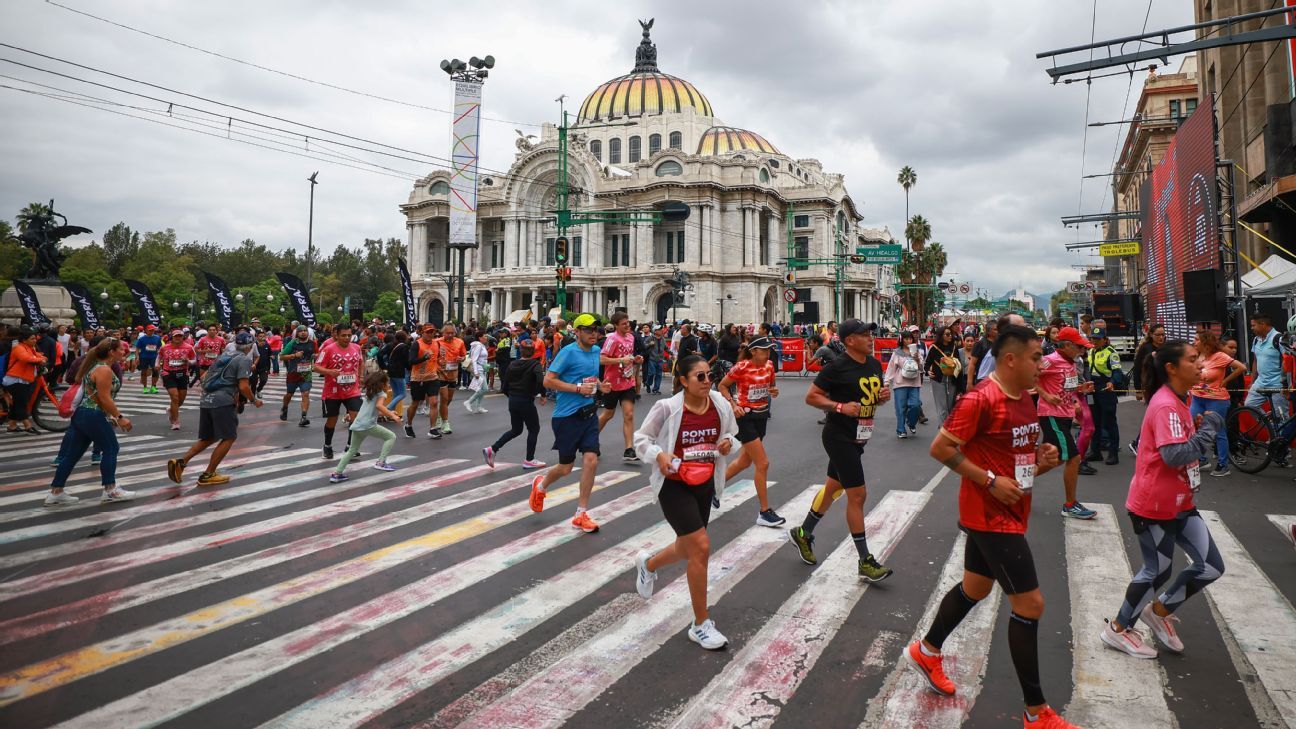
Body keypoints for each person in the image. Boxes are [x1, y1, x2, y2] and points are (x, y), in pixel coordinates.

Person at [904, 324, 1072, 729]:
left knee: (975, 588)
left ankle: (927, 651)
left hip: (1010, 511)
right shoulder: (981, 398)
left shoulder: (1026, 398)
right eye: (1036, 358)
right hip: (990, 517)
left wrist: (1042, 460)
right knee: (1030, 605)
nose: (1042, 365)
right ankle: (1036, 712)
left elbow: (1017, 457)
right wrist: (990, 481)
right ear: (1011, 359)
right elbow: (940, 448)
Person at [1100, 339, 1226, 660]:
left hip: (1182, 502)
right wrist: (1208, 429)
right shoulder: (1168, 404)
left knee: (1211, 566)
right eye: (1193, 359)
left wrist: (1197, 429)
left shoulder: (1180, 399)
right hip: (1154, 506)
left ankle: (1158, 611)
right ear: (1171, 368)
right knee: (1156, 572)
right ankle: (1117, 629)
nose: (1200, 365)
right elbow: (1174, 455)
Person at [633, 354, 740, 650]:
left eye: (710, 376)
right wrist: (660, 455)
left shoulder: (719, 403)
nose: (708, 382)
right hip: (674, 485)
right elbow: (640, 439)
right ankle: (700, 624)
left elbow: (732, 434)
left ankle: (649, 564)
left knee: (688, 545)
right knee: (701, 547)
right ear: (682, 381)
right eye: (700, 377)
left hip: (704, 482)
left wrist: (728, 444)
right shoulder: (666, 408)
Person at [788, 319, 895, 582]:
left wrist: (881, 397)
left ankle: (803, 533)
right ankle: (865, 561)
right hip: (839, 436)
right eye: (864, 335)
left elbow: (870, 397)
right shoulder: (837, 366)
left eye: (871, 334)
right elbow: (811, 396)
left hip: (860, 436)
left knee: (833, 488)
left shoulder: (872, 364)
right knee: (857, 494)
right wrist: (839, 407)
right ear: (850, 340)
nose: (871, 338)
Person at [527, 313, 616, 534]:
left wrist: (599, 385)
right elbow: (548, 380)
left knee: (591, 460)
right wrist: (577, 389)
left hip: (589, 415)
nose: (593, 334)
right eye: (588, 330)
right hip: (566, 417)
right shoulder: (568, 353)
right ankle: (541, 485)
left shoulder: (596, 352)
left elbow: (589, 376)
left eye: (596, 330)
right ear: (577, 332)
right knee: (565, 468)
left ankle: (581, 513)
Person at [44, 338, 135, 506]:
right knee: (111, 448)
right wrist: (119, 417)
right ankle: (110, 489)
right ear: (111, 352)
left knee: (73, 454)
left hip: (83, 414)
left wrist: (110, 416)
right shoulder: (103, 370)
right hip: (93, 414)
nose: (124, 352)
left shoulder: (95, 366)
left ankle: (56, 492)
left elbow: (97, 397)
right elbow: (104, 398)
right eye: (121, 349)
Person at [166, 332, 262, 487]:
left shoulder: (223, 356)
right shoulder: (244, 359)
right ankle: (208, 474)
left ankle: (181, 462)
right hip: (222, 401)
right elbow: (244, 385)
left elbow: (205, 377)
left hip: (206, 399)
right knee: (229, 437)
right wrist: (253, 400)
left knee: (208, 437)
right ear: (251, 346)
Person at [719, 336, 784, 527]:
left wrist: (773, 391)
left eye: (769, 349)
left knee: (744, 462)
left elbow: (771, 386)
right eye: (764, 350)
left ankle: (712, 489)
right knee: (762, 463)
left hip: (762, 416)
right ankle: (764, 512)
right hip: (745, 417)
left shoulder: (770, 365)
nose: (767, 352)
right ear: (753, 351)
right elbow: (723, 385)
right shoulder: (741, 367)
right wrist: (733, 404)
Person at [1036, 326, 1097, 519]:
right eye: (1080, 347)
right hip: (1051, 415)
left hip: (1063, 414)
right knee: (1074, 457)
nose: (1083, 351)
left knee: (1056, 458)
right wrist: (1045, 395)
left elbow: (1065, 388)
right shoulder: (1050, 360)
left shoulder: (1071, 362)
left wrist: (1080, 389)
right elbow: (1029, 375)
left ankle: (1018, 479)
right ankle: (1070, 504)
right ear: (1067, 345)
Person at [1189, 330, 1246, 477]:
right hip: (1197, 398)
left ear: (1205, 342)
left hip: (1217, 400)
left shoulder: (1220, 356)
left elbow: (1242, 368)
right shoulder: (1196, 356)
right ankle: (1202, 460)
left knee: (1218, 432)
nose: (1194, 342)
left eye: (1197, 340)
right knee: (1193, 428)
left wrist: (1225, 381)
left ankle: (1223, 465)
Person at [484, 339, 547, 470]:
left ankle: (493, 448)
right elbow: (541, 381)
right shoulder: (535, 365)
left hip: (513, 400)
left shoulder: (512, 364)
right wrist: (542, 395)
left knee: (516, 429)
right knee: (534, 429)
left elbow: (504, 386)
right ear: (534, 352)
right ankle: (529, 459)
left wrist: (512, 396)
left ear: (520, 350)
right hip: (526, 400)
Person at [329, 370, 399, 483]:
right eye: (387, 383)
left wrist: (390, 412)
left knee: (351, 450)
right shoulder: (381, 394)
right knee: (391, 437)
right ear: (382, 384)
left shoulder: (370, 393)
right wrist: (391, 415)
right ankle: (381, 462)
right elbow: (379, 406)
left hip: (357, 425)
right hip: (368, 425)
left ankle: (337, 473)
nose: (389, 385)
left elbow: (374, 410)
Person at [314, 323, 365, 459]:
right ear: (336, 335)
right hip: (333, 391)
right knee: (332, 420)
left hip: (352, 390)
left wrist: (360, 377)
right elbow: (316, 367)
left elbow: (361, 362)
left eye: (349, 335)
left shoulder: (357, 347)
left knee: (356, 418)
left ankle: (350, 446)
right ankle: (327, 445)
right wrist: (330, 371)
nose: (347, 338)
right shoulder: (328, 349)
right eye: (343, 335)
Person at [597, 312, 643, 462]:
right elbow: (602, 359)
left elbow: (628, 357)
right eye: (624, 324)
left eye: (628, 322)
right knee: (608, 414)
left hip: (627, 381)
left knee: (629, 415)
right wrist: (620, 360)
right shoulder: (611, 339)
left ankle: (629, 449)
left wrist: (635, 359)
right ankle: (590, 439)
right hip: (612, 382)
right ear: (616, 325)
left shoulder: (631, 337)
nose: (627, 325)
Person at [1085, 326, 1125, 466]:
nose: (1094, 341)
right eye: (1093, 339)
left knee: (1109, 423)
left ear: (1104, 339)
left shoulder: (1111, 352)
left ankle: (1113, 453)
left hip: (1106, 389)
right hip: (1093, 389)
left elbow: (1117, 371)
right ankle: (1095, 451)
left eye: (1098, 339)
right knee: (1094, 422)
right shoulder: (1090, 351)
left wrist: (1112, 382)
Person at [4, 327, 48, 433]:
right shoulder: (18, 348)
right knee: (22, 403)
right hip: (15, 380)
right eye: (32, 338)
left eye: (35, 338)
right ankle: (27, 425)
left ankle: (12, 425)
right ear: (24, 340)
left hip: (23, 379)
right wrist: (40, 360)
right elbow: (25, 358)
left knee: (18, 402)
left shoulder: (29, 348)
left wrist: (42, 358)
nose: (35, 340)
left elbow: (37, 355)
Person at [404, 325, 443, 439]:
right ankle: (408, 425)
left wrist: (441, 362)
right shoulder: (417, 344)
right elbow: (411, 361)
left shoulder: (437, 343)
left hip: (432, 377)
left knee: (434, 402)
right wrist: (424, 358)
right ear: (422, 333)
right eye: (427, 332)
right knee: (415, 404)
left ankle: (432, 429)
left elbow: (438, 357)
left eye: (432, 332)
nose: (430, 334)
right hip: (418, 379)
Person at [1245, 313, 1286, 420]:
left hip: (1278, 384)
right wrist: (1252, 382)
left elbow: (1288, 361)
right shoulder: (1256, 340)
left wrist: (1286, 384)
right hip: (1260, 382)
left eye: (1253, 325)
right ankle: (1272, 428)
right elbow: (1255, 361)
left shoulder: (1279, 339)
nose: (1251, 328)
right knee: (1250, 405)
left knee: (1281, 417)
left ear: (1262, 324)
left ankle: (1280, 434)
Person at [886, 330, 924, 439]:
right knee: (900, 407)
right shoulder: (897, 352)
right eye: (906, 339)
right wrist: (887, 381)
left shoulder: (917, 352)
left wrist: (917, 359)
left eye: (910, 338)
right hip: (900, 383)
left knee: (916, 405)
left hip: (914, 383)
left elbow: (921, 369)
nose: (908, 341)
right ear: (902, 340)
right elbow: (891, 367)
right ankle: (901, 429)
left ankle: (911, 422)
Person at [158, 329, 197, 430]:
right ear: (172, 337)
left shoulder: (189, 347)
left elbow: (194, 360)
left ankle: (171, 410)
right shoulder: (165, 347)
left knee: (181, 400)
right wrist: (157, 365)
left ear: (183, 337)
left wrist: (188, 361)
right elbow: (159, 356)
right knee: (174, 397)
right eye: (176, 336)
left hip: (183, 374)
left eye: (180, 336)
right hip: (168, 374)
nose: (178, 338)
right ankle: (175, 421)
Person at [279, 325, 315, 427]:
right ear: (297, 333)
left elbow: (317, 353)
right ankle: (285, 407)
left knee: (306, 394)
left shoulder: (312, 343)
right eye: (301, 331)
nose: (303, 332)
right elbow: (281, 357)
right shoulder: (293, 343)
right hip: (293, 373)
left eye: (305, 331)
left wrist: (315, 356)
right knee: (289, 394)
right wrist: (294, 355)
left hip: (306, 374)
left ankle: (303, 417)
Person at [436, 324, 468, 434]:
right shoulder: (437, 342)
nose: (450, 335)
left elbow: (464, 356)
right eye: (447, 333)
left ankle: (440, 416)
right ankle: (445, 423)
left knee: (449, 399)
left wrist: (461, 358)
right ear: (442, 333)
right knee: (444, 398)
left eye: (452, 333)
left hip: (453, 373)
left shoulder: (460, 342)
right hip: (441, 373)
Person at [926, 325, 959, 424]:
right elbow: (927, 363)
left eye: (951, 334)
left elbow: (959, 363)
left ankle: (947, 429)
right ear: (941, 336)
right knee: (942, 408)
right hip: (938, 380)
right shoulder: (934, 348)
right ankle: (943, 430)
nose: (950, 336)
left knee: (950, 406)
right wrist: (928, 371)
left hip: (952, 380)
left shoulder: (954, 347)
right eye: (947, 334)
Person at [383, 330, 411, 419]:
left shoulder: (394, 345)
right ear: (404, 337)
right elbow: (406, 361)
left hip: (391, 371)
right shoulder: (404, 347)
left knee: (396, 393)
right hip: (399, 372)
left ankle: (392, 414)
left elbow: (380, 354)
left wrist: (383, 366)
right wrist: (410, 368)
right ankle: (388, 409)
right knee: (403, 394)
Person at [463, 330, 491, 414]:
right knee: (485, 388)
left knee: (481, 388)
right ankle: (469, 402)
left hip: (482, 368)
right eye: (484, 336)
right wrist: (476, 372)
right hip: (478, 369)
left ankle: (479, 407)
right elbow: (474, 360)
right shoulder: (478, 346)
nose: (486, 337)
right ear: (480, 338)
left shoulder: (481, 345)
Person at [135, 324, 162, 394]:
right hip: (144, 357)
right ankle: (145, 387)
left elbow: (160, 348)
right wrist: (137, 357)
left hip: (154, 357)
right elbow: (137, 349)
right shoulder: (142, 339)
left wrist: (160, 357)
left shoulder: (157, 338)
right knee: (144, 372)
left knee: (155, 371)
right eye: (150, 330)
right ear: (146, 330)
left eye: (153, 330)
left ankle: (153, 386)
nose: (152, 331)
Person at [644, 325, 665, 395]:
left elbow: (666, 347)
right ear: (655, 331)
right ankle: (648, 383)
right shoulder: (650, 338)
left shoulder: (663, 338)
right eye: (659, 330)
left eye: (661, 329)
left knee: (659, 375)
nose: (661, 331)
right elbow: (644, 345)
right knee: (652, 373)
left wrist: (671, 353)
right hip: (652, 359)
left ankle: (656, 389)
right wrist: (649, 344)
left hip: (660, 359)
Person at [251, 330, 272, 397]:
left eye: (263, 336)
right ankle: (252, 396)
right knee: (254, 382)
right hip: (254, 366)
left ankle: (259, 390)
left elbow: (270, 353)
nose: (262, 338)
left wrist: (272, 356)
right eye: (260, 336)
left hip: (264, 366)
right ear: (256, 337)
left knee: (264, 380)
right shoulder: (253, 345)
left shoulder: (267, 345)